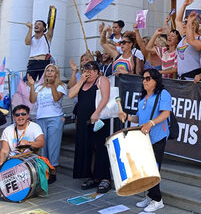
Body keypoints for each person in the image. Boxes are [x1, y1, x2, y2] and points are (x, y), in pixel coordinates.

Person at [119, 69, 171, 212]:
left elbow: (166, 113)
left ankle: (157, 199)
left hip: (158, 136)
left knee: (153, 169)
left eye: (148, 78)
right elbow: (138, 118)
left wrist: (151, 123)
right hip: (144, 138)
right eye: (143, 78)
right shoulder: (143, 98)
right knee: (145, 169)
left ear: (156, 80)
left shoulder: (163, 94)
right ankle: (150, 196)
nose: (144, 81)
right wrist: (127, 117)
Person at [68, 61, 112, 193]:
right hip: (83, 120)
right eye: (86, 70)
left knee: (99, 148)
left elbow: (105, 97)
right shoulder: (82, 82)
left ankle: (105, 178)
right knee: (86, 148)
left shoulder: (101, 80)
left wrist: (96, 112)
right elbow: (71, 94)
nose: (88, 72)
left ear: (96, 71)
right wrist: (81, 80)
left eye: (91, 70)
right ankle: (92, 176)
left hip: (98, 120)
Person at [27, 64, 66, 183]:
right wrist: (32, 86)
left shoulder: (61, 86)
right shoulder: (39, 87)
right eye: (47, 70)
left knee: (53, 145)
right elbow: (32, 100)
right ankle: (44, 170)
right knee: (42, 146)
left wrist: (52, 84)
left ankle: (53, 171)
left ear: (56, 74)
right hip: (41, 118)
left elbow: (56, 98)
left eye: (52, 71)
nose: (49, 72)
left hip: (55, 118)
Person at [25, 7, 56, 81]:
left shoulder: (47, 36)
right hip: (32, 62)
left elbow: (51, 26)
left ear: (44, 28)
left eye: (39, 24)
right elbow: (27, 42)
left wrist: (52, 12)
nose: (36, 25)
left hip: (43, 62)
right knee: (29, 83)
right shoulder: (32, 37)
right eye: (35, 24)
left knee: (44, 83)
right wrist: (30, 29)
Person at [175, 0, 201, 80]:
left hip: (193, 78)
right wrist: (184, 5)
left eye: (186, 22)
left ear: (193, 24)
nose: (183, 24)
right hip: (181, 78)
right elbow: (177, 20)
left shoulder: (200, 38)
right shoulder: (184, 36)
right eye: (184, 22)